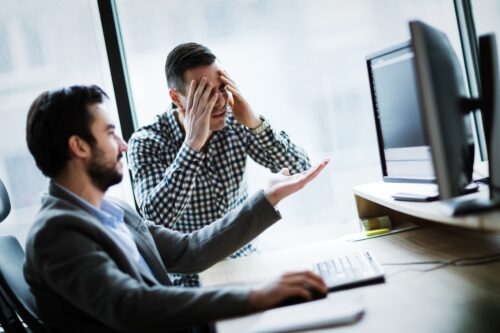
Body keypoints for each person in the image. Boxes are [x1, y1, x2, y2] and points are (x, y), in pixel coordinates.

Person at [23, 85, 328, 333]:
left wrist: (268, 198)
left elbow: (188, 251)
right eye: (110, 133)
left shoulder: (113, 210)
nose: (123, 145)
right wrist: (255, 296)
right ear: (79, 146)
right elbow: (132, 306)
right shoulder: (56, 233)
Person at [128, 43, 312, 286]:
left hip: (246, 265)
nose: (219, 102)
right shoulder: (147, 142)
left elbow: (300, 171)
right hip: (190, 279)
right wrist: (192, 144)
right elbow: (156, 219)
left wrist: (255, 123)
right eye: (204, 93)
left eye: (222, 88)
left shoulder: (235, 121)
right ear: (176, 98)